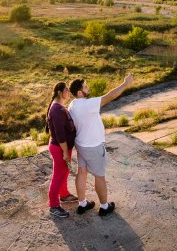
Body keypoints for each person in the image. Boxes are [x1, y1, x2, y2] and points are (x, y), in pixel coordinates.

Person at [68, 74, 133, 216]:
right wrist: (125, 84)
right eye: (85, 86)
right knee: (99, 176)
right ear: (79, 92)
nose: (88, 88)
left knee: (81, 172)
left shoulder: (73, 104)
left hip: (81, 144)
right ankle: (104, 207)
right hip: (93, 146)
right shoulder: (88, 104)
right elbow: (109, 96)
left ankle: (82, 204)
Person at [46, 82, 78, 218]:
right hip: (60, 148)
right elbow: (60, 135)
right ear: (59, 92)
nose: (68, 93)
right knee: (58, 176)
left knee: (64, 172)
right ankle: (53, 206)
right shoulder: (57, 110)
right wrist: (65, 152)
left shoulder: (58, 106)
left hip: (63, 148)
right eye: (66, 90)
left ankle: (64, 194)